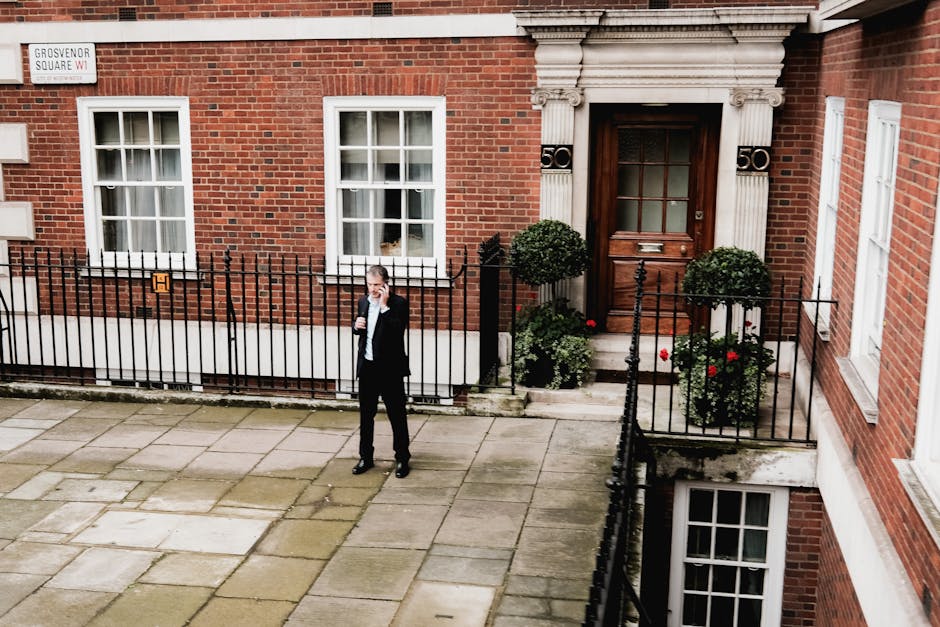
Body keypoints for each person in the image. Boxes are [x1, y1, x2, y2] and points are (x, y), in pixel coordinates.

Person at [351, 265, 412, 478]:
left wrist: (384, 307)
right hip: (368, 368)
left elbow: (397, 332)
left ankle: (402, 458)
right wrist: (356, 325)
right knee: (366, 416)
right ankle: (365, 457)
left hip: (390, 370)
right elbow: (361, 332)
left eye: (377, 285)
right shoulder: (363, 302)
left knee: (397, 416)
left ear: (386, 284)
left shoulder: (398, 304)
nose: (372, 289)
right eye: (369, 284)